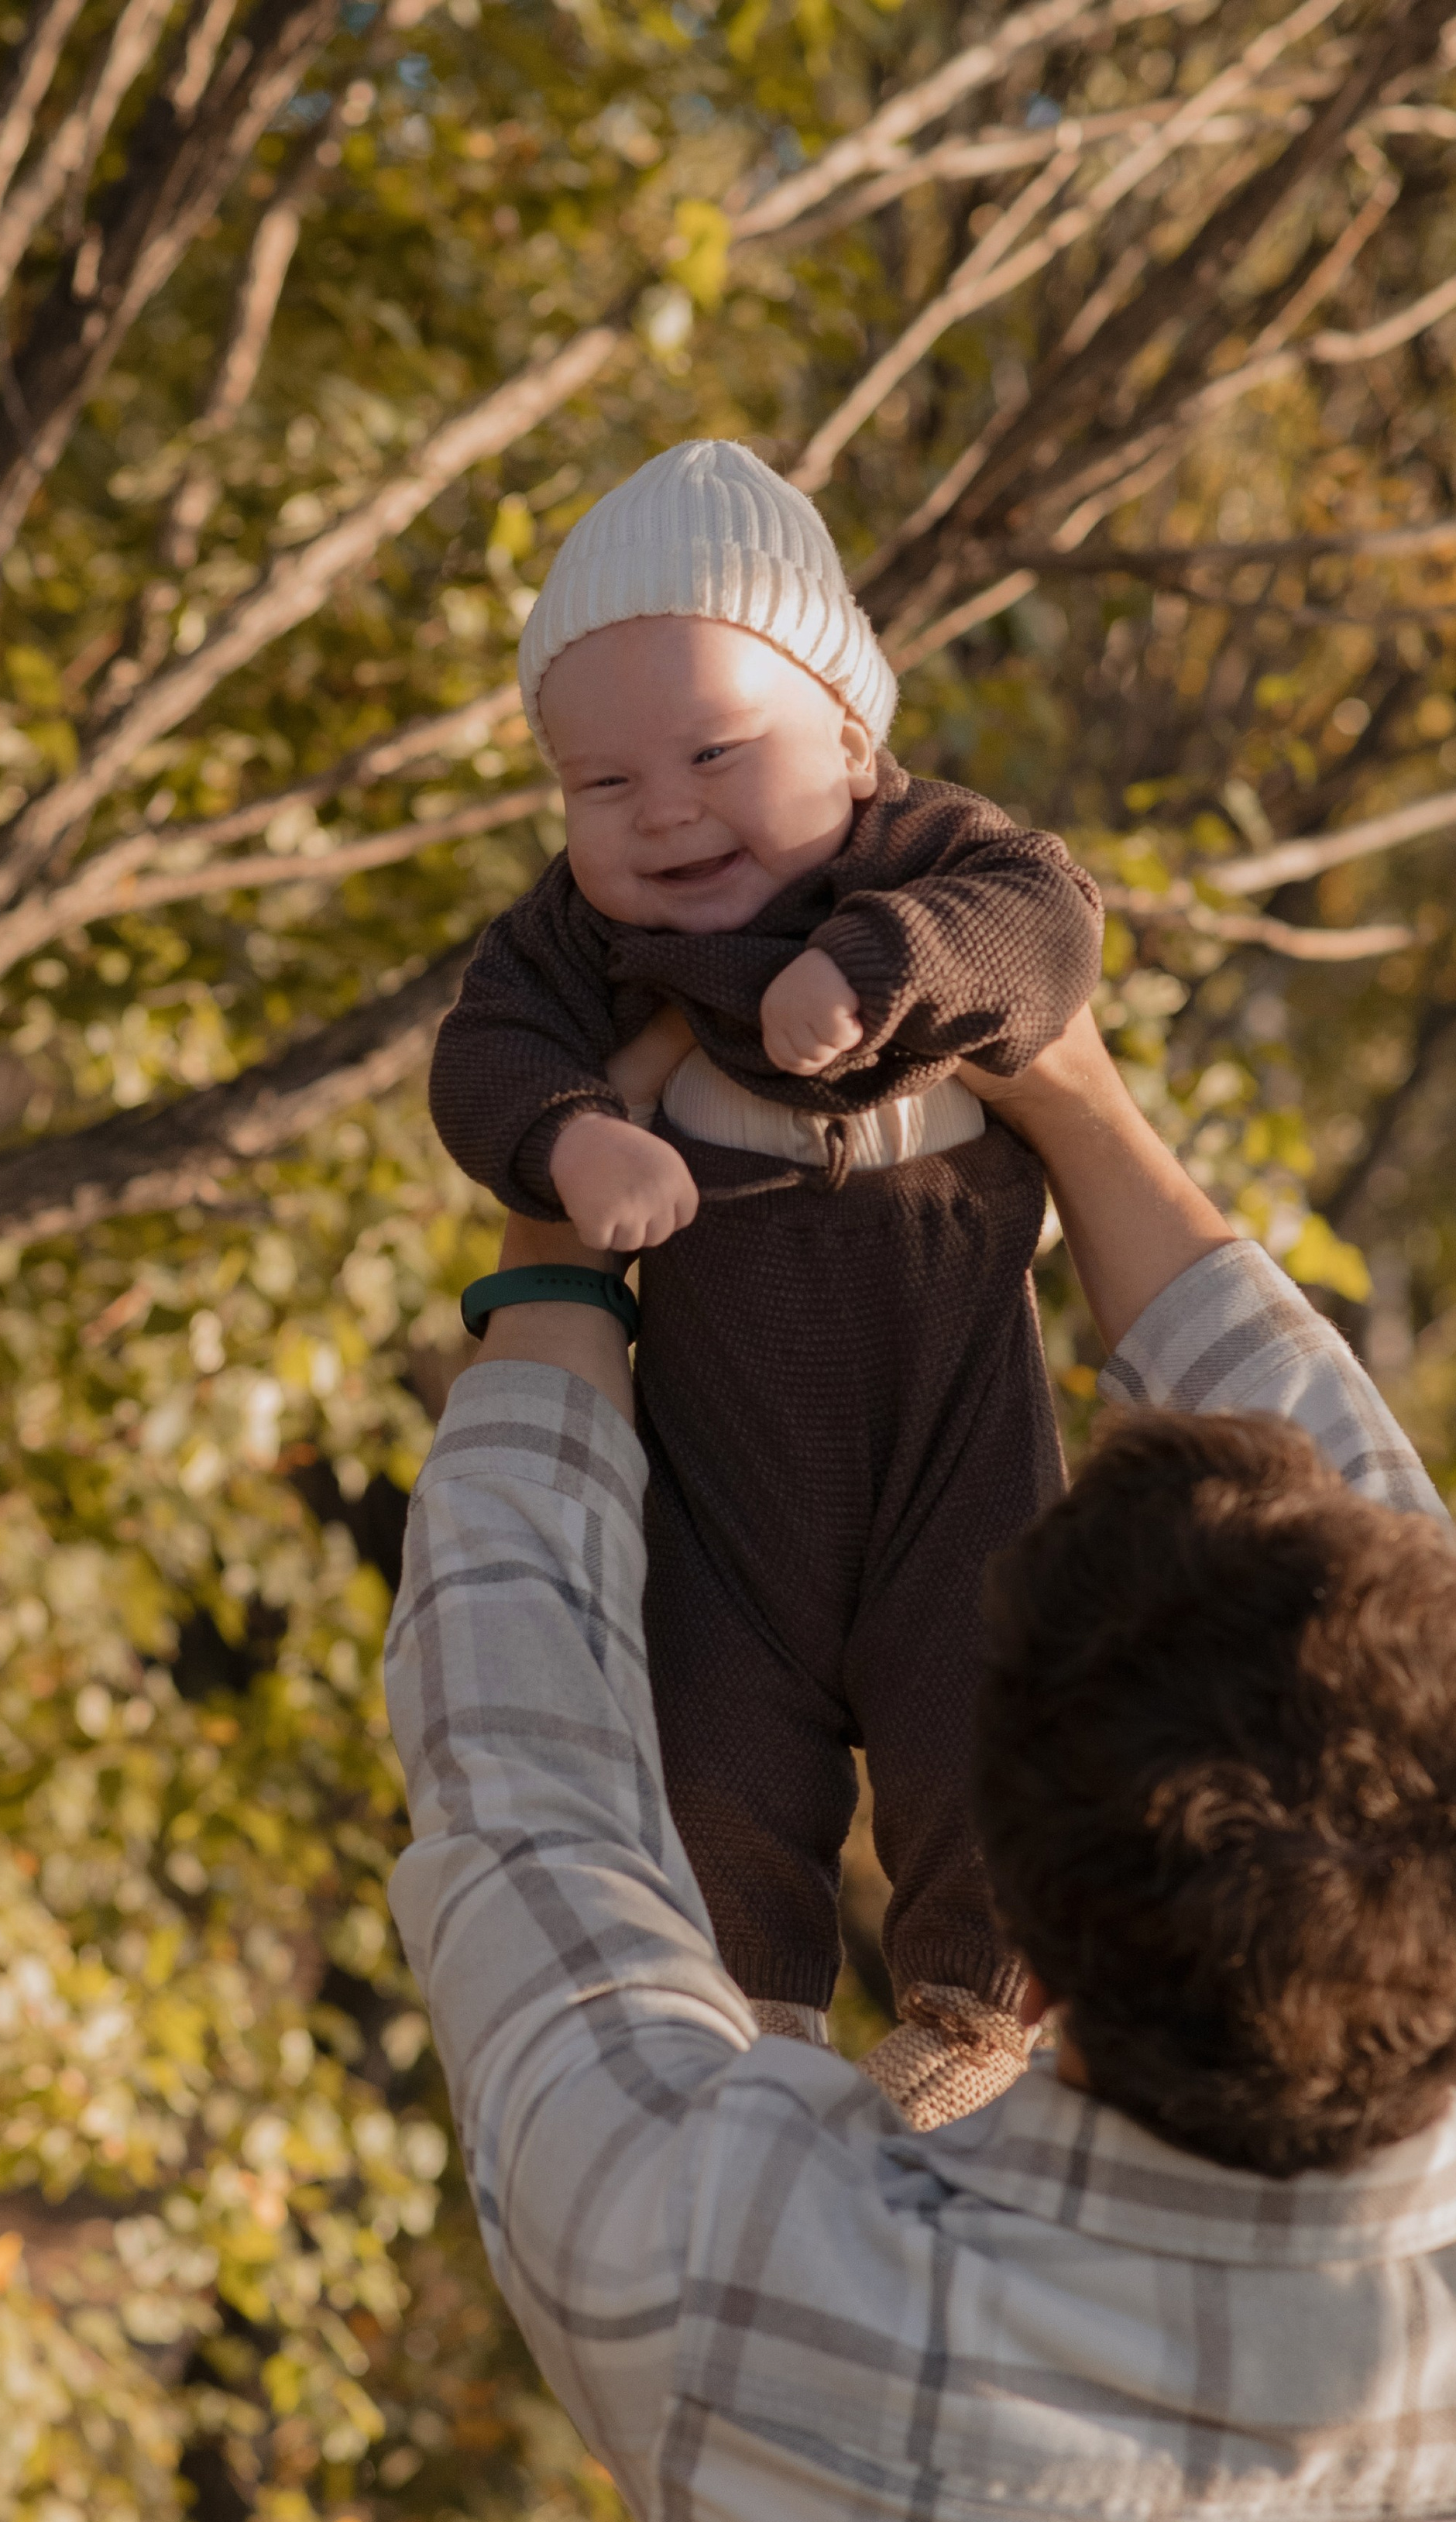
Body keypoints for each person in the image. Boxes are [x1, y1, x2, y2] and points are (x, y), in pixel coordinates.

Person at [384, 999, 1456, 2522]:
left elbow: (532, 1801)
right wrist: (1073, 1099)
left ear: (1009, 1889)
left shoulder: (758, 2299)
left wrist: (566, 1271)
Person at [429, 438, 1104, 2121]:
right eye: (601, 787)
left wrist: (877, 963)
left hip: (952, 1419)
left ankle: (970, 2004)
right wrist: (576, 1143)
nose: (662, 814)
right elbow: (484, 1051)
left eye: (716, 753)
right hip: (727, 1459)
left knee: (993, 1685)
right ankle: (747, 2020)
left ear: (853, 739)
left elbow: (1050, 927)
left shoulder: (926, 860)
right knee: (711, 1726)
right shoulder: (584, 945)